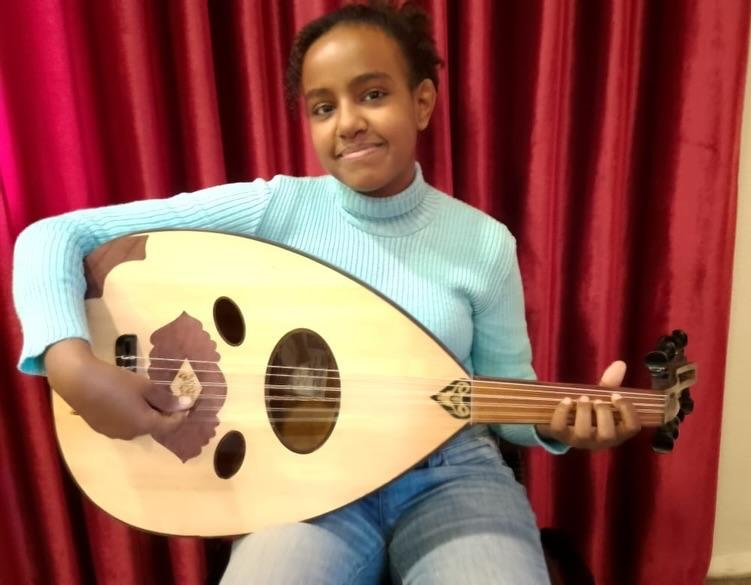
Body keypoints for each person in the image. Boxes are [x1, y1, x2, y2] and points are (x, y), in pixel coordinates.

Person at [12, 2, 640, 583]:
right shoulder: (277, 209)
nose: (349, 122)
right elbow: (54, 236)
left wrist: (565, 425)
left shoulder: (484, 243)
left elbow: (503, 393)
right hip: (301, 486)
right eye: (322, 107)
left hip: (452, 476)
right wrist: (72, 368)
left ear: (422, 102)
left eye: (373, 94)